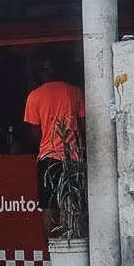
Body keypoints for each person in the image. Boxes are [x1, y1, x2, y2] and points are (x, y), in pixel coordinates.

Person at [23, 58, 86, 236]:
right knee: (74, 204)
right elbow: (82, 127)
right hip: (73, 158)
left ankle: (53, 250)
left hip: (47, 157)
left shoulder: (34, 96)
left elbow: (35, 133)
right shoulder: (75, 92)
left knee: (48, 206)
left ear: (42, 73)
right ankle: (74, 244)